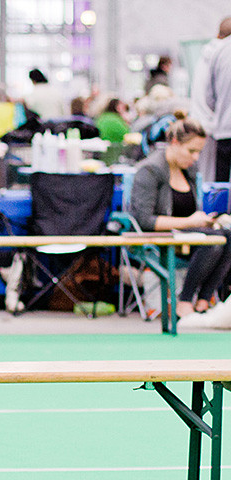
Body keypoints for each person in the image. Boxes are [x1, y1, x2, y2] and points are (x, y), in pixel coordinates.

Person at [129, 114, 231, 319]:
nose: (195, 157)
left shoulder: (190, 170)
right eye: (191, 151)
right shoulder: (149, 170)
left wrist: (209, 220)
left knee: (228, 235)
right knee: (212, 242)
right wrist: (190, 222)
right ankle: (185, 301)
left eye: (199, 152)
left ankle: (204, 301)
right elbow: (144, 220)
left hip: (187, 234)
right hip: (155, 238)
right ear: (174, 142)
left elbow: (193, 216)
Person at [191, 17, 231, 181]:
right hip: (215, 126)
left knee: (219, 187)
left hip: (221, 130)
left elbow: (210, 96)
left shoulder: (216, 53)